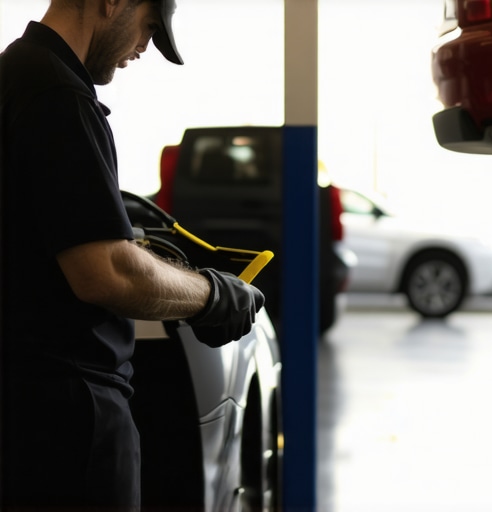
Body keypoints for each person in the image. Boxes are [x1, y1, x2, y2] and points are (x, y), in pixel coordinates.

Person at [0, 0, 265, 510]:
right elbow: (106, 272)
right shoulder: (57, 94)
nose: (143, 47)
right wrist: (213, 294)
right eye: (147, 27)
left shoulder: (16, 72)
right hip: (68, 423)